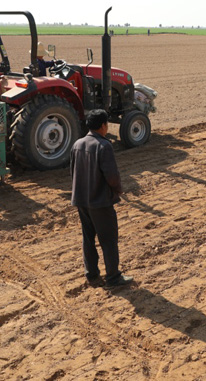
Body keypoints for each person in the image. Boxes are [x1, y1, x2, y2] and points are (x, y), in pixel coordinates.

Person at [69, 109, 132, 288]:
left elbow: (72, 172)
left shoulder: (77, 144)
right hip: (101, 202)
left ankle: (92, 275)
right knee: (109, 240)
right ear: (103, 125)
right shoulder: (104, 146)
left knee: (88, 238)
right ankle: (113, 278)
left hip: (82, 200)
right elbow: (112, 176)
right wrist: (118, 190)